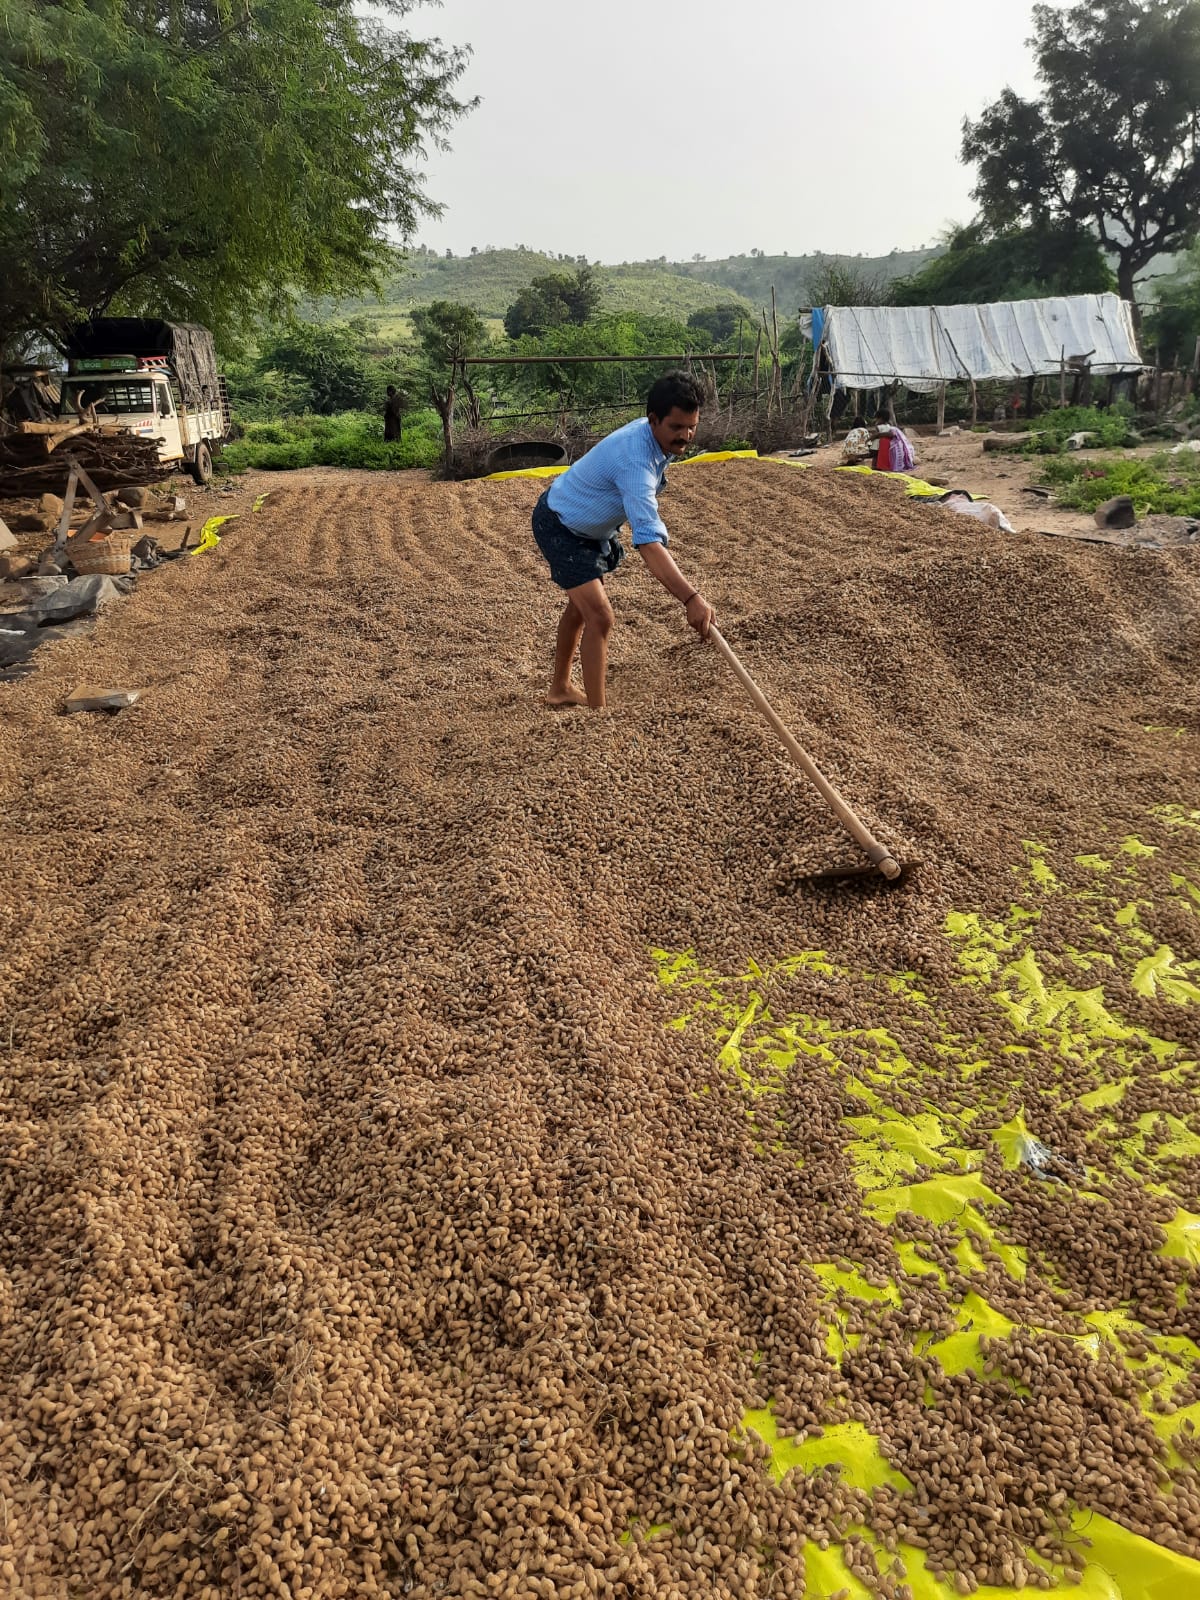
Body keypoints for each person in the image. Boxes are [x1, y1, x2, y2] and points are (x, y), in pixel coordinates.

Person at [531, 371, 715, 710]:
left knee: (581, 608)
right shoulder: (635, 462)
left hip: (589, 527)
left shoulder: (656, 439)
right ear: (654, 420)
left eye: (691, 426)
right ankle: (600, 716)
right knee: (600, 615)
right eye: (676, 427)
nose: (685, 436)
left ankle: (560, 689)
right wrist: (690, 598)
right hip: (560, 524)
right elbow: (648, 543)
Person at [871, 408, 915, 473]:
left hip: (887, 445)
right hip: (887, 444)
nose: (876, 420)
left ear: (880, 418)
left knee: (876, 454)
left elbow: (891, 434)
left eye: (877, 418)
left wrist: (876, 435)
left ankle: (878, 466)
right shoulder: (887, 426)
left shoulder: (882, 427)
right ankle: (880, 466)